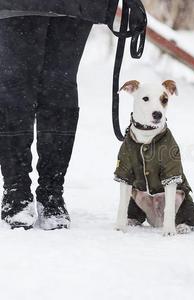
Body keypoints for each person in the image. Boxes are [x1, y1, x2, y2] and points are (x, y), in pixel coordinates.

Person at [0, 0, 118, 229]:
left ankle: (52, 192)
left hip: (75, 6)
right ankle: (16, 191)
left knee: (60, 88)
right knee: (15, 87)